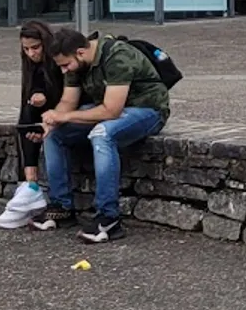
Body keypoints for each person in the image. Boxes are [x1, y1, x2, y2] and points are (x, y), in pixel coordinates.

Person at [33, 28, 169, 243]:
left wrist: (65, 117)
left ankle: (109, 217)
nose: (63, 71)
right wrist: (53, 120)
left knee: (102, 134)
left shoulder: (118, 56)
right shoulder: (75, 64)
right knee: (55, 135)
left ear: (80, 52)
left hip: (147, 110)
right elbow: (68, 102)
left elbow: (111, 111)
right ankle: (61, 206)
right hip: (108, 108)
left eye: (65, 65)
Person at [0, 21, 65, 229]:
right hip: (43, 105)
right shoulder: (30, 62)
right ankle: (29, 182)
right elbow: (32, 88)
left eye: (35, 47)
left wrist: (46, 99)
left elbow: (69, 93)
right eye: (26, 49)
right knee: (26, 115)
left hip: (67, 104)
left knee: (36, 117)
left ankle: (31, 188)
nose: (31, 53)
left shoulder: (58, 56)